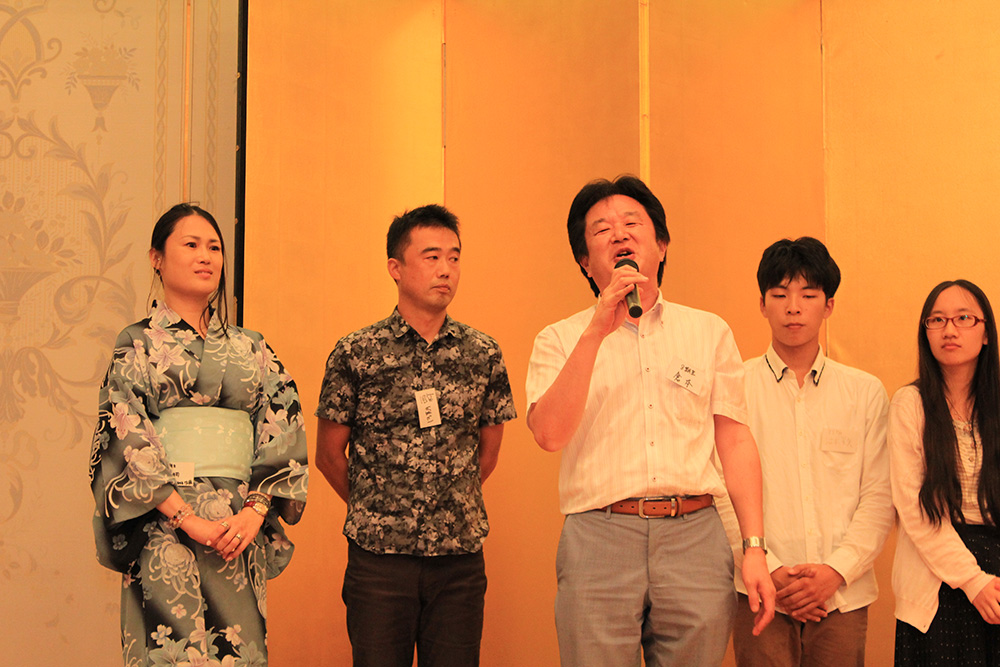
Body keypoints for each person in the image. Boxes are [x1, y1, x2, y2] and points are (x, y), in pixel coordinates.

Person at [525, 175, 775, 667]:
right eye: (602, 230)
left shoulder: (708, 330)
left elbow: (735, 441)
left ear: (661, 246)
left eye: (632, 224)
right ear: (585, 261)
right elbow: (549, 435)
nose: (619, 235)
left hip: (694, 534)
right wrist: (596, 331)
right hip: (598, 536)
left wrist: (754, 547)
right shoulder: (559, 338)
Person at [88, 203, 309, 665]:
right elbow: (125, 436)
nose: (206, 256)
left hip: (237, 528)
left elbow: (283, 423)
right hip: (164, 526)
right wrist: (188, 519)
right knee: (172, 651)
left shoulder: (252, 346)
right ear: (157, 258)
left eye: (214, 247)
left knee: (239, 652)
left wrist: (255, 512)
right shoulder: (138, 342)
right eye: (191, 245)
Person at [314, 204, 517, 667]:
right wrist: (379, 506)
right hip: (379, 560)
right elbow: (329, 455)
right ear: (396, 268)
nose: (446, 269)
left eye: (454, 257)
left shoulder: (482, 353)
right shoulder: (357, 352)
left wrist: (446, 502)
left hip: (459, 561)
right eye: (432, 257)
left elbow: (487, 454)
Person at [720, 237, 893, 666]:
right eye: (780, 295)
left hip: (842, 596)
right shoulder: (733, 388)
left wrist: (834, 572)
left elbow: (880, 495)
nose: (793, 308)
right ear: (762, 304)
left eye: (808, 295)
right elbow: (720, 491)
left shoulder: (864, 393)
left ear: (828, 305)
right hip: (758, 590)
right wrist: (770, 569)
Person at [890, 279, 1000, 664]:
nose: (949, 330)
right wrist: (973, 581)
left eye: (963, 318)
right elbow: (914, 509)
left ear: (986, 333)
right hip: (934, 579)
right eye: (937, 320)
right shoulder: (910, 404)